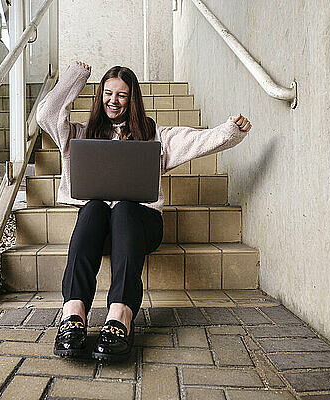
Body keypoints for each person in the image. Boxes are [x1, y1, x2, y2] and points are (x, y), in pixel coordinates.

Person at [35, 61, 252, 362]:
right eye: (107, 93)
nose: (113, 100)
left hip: (141, 226)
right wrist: (75, 78)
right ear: (99, 95)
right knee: (94, 208)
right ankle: (73, 313)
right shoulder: (79, 133)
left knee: (124, 207)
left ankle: (120, 314)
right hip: (100, 230)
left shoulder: (153, 134)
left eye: (121, 95)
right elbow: (46, 114)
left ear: (132, 98)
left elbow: (195, 141)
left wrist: (230, 132)